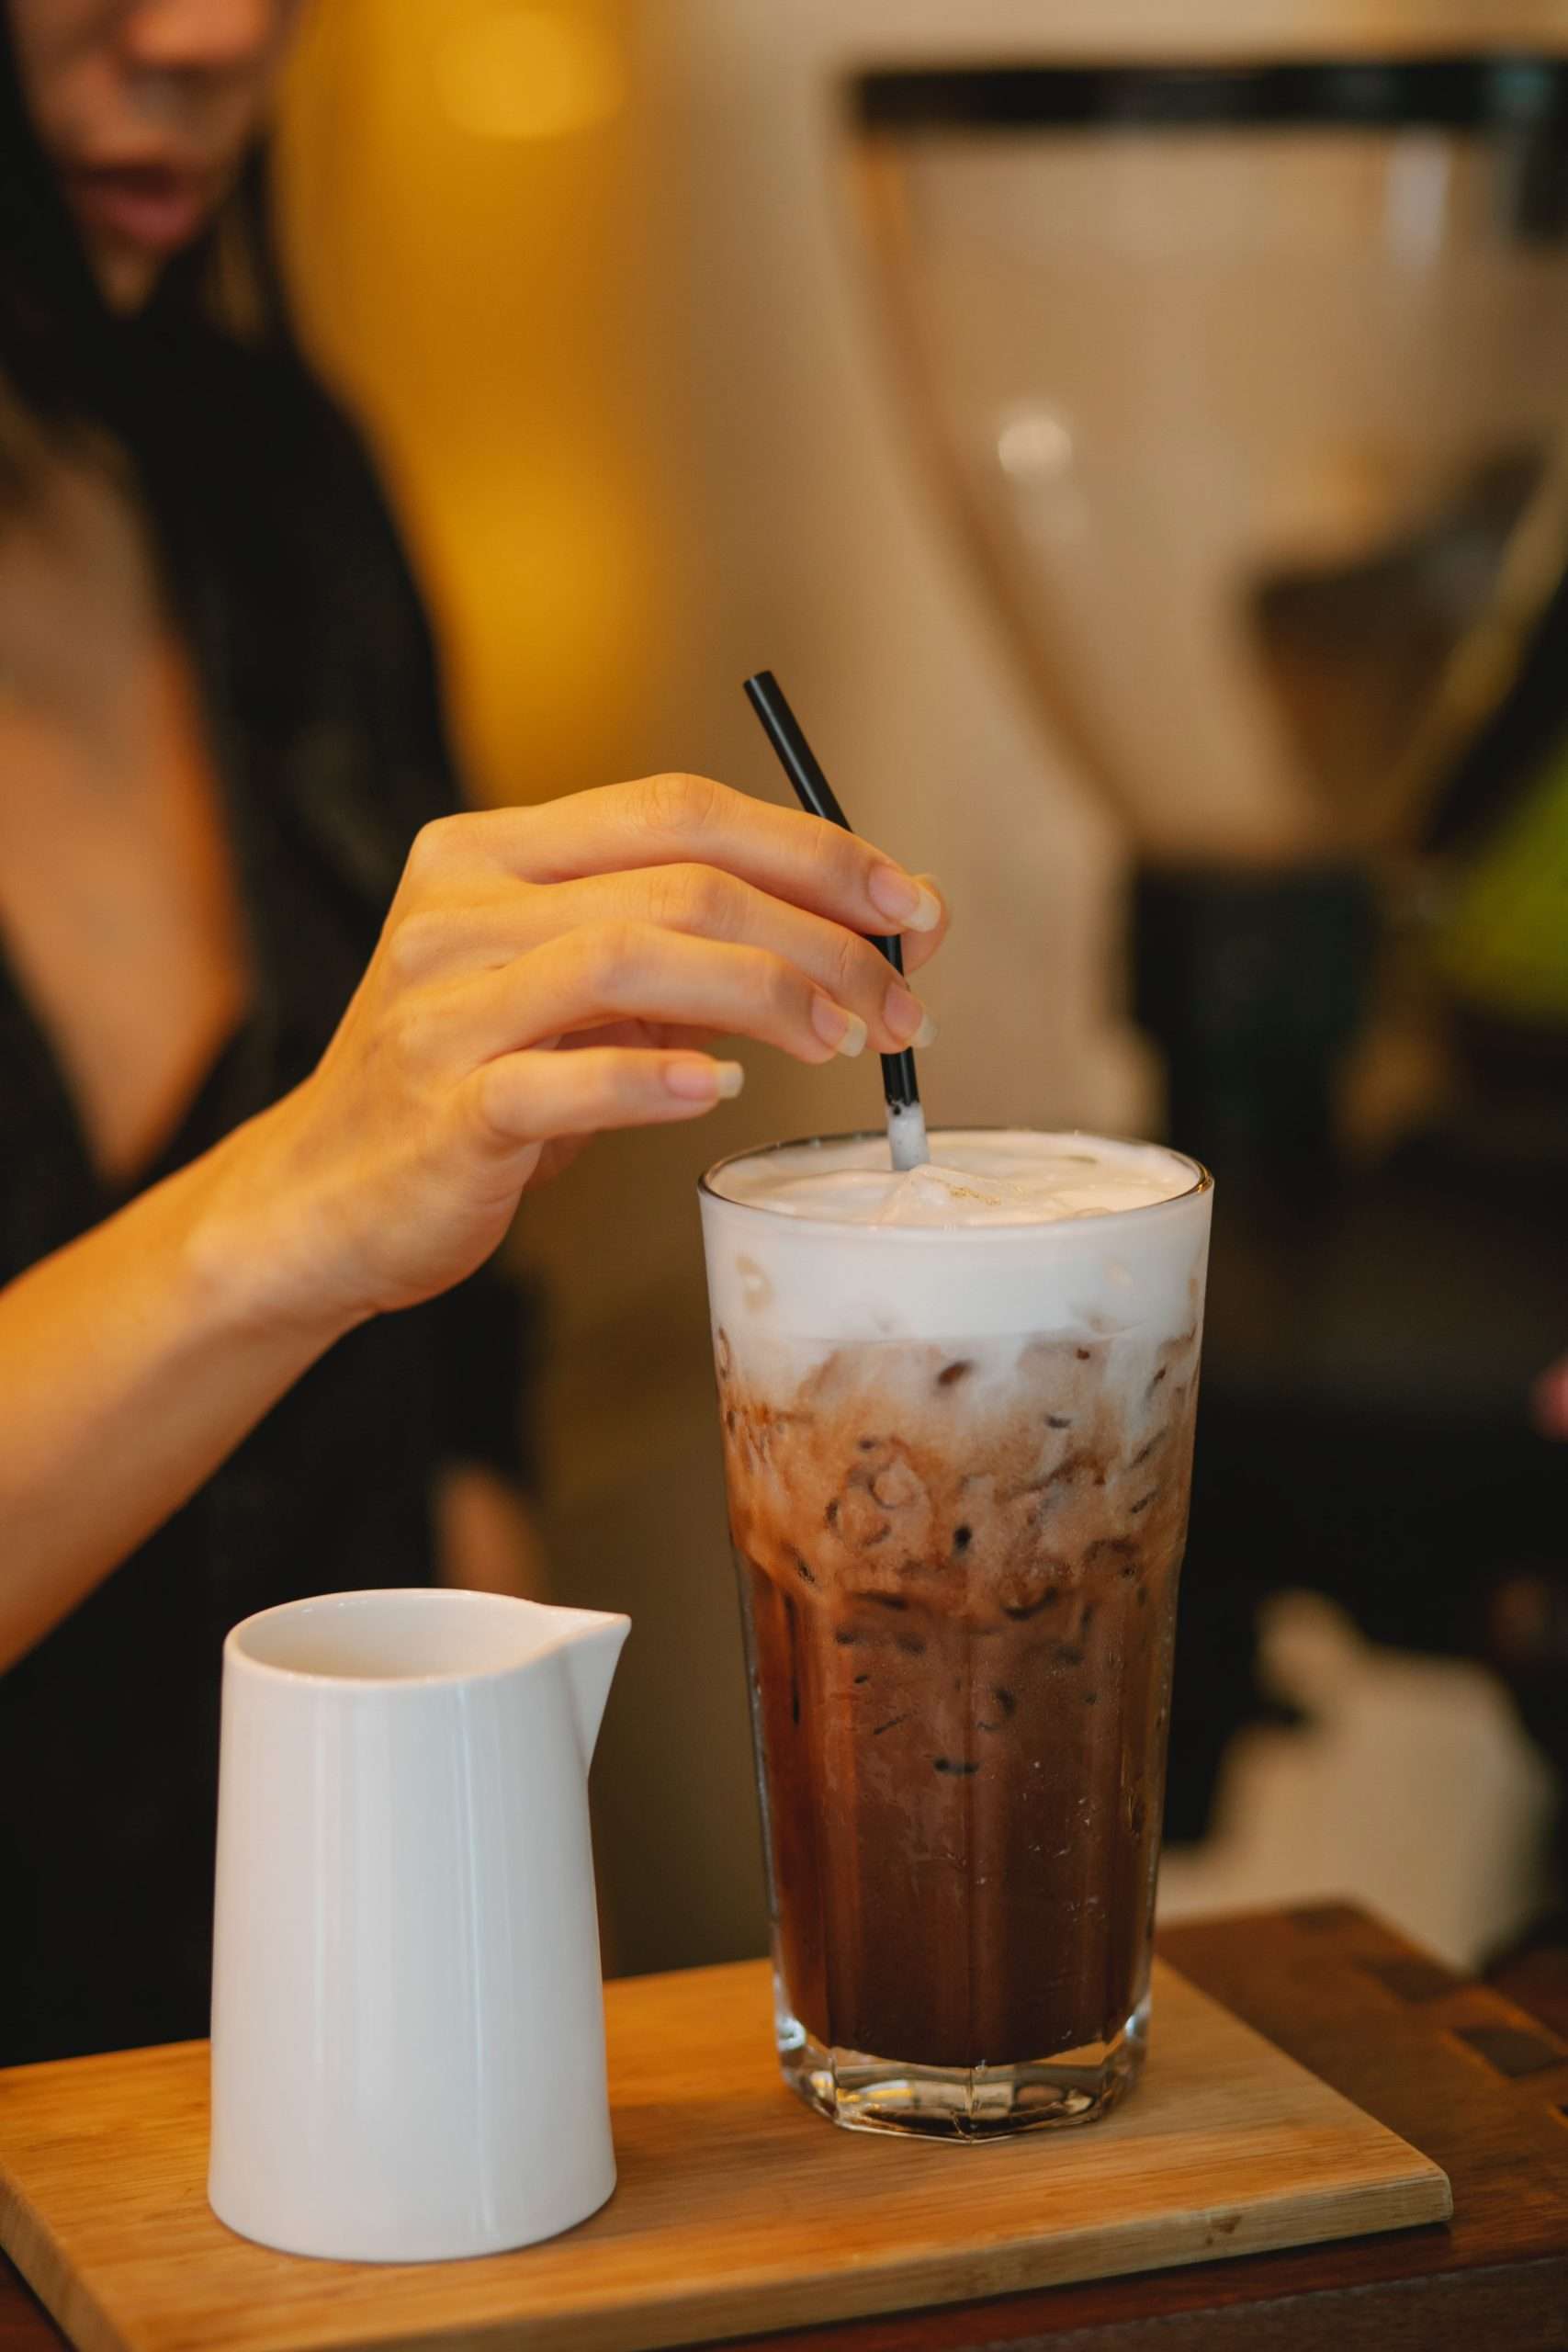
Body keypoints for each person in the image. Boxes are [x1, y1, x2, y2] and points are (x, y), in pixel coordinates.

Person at [0, 0, 946, 2065]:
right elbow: (337, 1222)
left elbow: (440, 1380)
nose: (214, 31)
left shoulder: (271, 494)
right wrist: (284, 1209)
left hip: (327, 2091)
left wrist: (504, 1908)